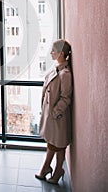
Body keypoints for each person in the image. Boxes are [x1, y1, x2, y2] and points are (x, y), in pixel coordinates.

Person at [35, 39, 73, 184]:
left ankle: (56, 171)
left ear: (61, 53)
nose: (51, 52)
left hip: (58, 117)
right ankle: (49, 169)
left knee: (59, 144)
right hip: (53, 116)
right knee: (53, 143)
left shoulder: (65, 74)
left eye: (53, 50)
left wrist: (54, 112)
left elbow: (65, 98)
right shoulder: (57, 69)